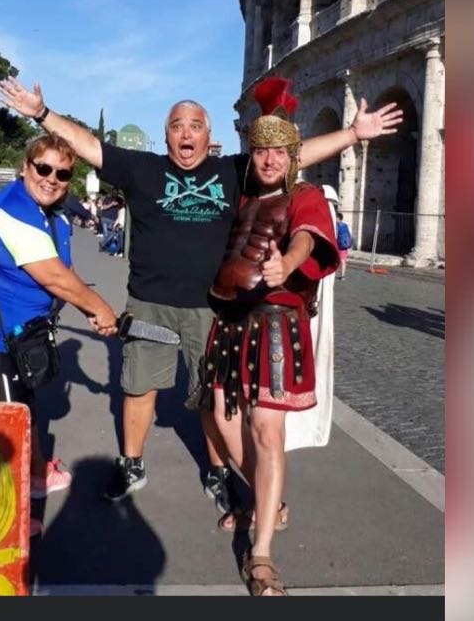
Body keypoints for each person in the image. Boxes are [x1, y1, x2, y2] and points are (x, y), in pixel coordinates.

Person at [0, 75, 402, 513]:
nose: (186, 133)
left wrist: (352, 134)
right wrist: (41, 113)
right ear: (166, 134)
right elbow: (88, 145)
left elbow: (289, 154)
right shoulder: (142, 168)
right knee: (138, 388)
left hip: (212, 307)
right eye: (177, 125)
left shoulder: (231, 171)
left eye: (195, 125)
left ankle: (218, 470)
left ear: (209, 135)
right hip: (150, 301)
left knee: (213, 397)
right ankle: (131, 464)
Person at [0, 133, 118, 535]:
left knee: (24, 406)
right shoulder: (14, 211)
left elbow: (63, 272)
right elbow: (54, 278)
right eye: (43, 168)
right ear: (25, 167)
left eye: (62, 173)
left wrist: (85, 307)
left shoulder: (52, 212)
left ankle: (35, 475)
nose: (51, 178)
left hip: (17, 332)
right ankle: (6, 521)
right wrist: (100, 308)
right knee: (7, 427)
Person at [198, 76, 339, 595]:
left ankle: (261, 554)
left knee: (266, 431)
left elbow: (307, 235)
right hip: (229, 321)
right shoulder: (242, 195)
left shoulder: (305, 194)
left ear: (293, 156)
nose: (270, 159)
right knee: (219, 419)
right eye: (262, 151)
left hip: (276, 323)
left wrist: (289, 264)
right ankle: (269, 501)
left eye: (280, 151)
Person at [335, 212, 353, 279]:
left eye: (335, 217)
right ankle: (342, 275)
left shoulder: (336, 226)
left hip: (338, 245)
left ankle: (336, 274)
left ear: (338, 218)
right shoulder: (345, 225)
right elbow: (349, 235)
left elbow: (335, 236)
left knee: (339, 260)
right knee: (343, 260)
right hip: (345, 245)